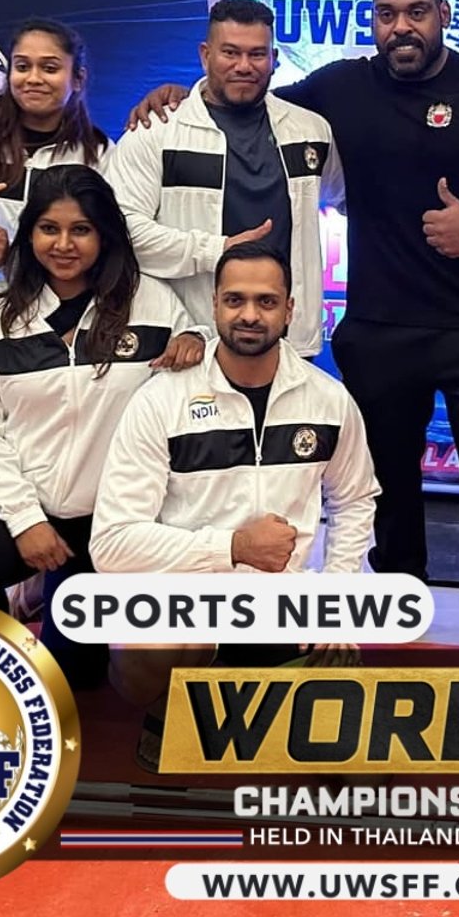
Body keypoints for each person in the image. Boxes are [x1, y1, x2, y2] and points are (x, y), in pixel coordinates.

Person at [127, 0, 459, 664]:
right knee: (383, 484)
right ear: (372, 18)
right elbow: (247, 98)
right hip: (379, 324)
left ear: (444, 13)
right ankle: (397, 602)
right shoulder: (337, 89)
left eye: (417, 11)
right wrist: (179, 94)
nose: (402, 26)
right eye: (387, 13)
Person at [90, 243, 379, 769]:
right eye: (235, 300)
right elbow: (111, 544)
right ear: (215, 306)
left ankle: (247, 696)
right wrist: (235, 548)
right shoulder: (161, 399)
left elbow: (356, 497)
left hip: (282, 600)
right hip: (187, 596)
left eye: (266, 302)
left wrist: (338, 601)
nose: (249, 315)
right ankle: (167, 708)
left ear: (290, 310)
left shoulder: (328, 399)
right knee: (145, 661)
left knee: (343, 757)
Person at [0, 166, 205, 691]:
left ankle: (65, 611)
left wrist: (197, 339)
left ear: (105, 235)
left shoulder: (151, 303)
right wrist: (26, 521)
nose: (63, 245)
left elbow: (202, 348)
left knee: (77, 678)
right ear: (28, 234)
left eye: (81, 230)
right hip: (21, 497)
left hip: (110, 514)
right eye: (48, 229)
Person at [108, 0, 339, 356]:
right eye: (230, 52)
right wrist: (215, 250)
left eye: (257, 54)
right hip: (189, 344)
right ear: (205, 55)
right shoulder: (157, 131)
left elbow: (351, 198)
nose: (243, 66)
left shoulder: (310, 130)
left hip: (291, 345)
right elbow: (119, 231)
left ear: (274, 58)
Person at [0, 17, 113, 293]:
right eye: (23, 67)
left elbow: (103, 247)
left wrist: (10, 259)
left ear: (78, 79)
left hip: (50, 304)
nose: (33, 79)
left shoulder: (98, 153)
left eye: (49, 68)